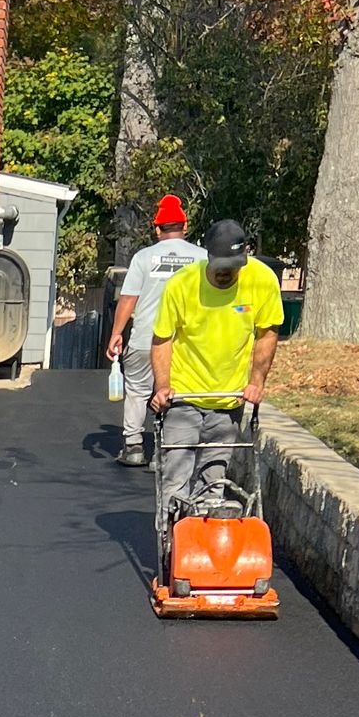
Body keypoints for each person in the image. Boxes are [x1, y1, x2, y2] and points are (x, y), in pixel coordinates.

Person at [148, 218, 284, 533]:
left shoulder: (262, 280)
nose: (227, 273)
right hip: (184, 396)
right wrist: (162, 386)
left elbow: (267, 333)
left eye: (233, 267)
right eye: (221, 266)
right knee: (176, 479)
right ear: (207, 256)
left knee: (214, 480)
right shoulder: (182, 285)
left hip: (228, 399)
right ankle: (171, 543)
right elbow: (163, 338)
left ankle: (205, 548)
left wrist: (256, 382)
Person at [107, 194, 203, 466]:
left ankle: (134, 446)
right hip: (183, 342)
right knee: (173, 392)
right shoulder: (203, 259)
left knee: (137, 390)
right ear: (185, 227)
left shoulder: (144, 258)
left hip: (145, 338)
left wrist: (116, 333)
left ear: (157, 229)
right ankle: (163, 453)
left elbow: (129, 298)